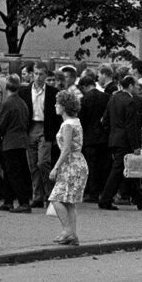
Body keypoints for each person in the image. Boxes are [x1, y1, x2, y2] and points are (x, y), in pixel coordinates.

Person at [97, 75, 142, 211]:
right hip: (125, 141)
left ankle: (139, 199)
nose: (137, 88)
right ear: (130, 86)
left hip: (114, 138)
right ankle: (105, 199)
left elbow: (105, 120)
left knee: (127, 169)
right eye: (136, 85)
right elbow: (131, 126)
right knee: (118, 170)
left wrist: (113, 132)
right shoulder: (130, 102)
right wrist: (136, 146)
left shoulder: (113, 98)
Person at [46, 90, 88, 245]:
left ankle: (67, 230)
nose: (55, 105)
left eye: (58, 103)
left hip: (70, 164)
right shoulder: (75, 121)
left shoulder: (67, 125)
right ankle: (73, 235)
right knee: (69, 201)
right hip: (78, 163)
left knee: (56, 198)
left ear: (64, 106)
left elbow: (66, 149)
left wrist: (55, 167)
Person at [0, 76, 33, 212]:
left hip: (10, 141)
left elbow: (0, 124)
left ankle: (23, 203)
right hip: (21, 141)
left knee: (13, 173)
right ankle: (8, 200)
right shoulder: (22, 103)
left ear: (6, 87)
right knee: (13, 171)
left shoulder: (7, 103)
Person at [24, 65, 59, 208]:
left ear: (46, 75)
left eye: (41, 74)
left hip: (46, 128)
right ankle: (37, 196)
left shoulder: (53, 92)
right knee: (32, 164)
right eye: (36, 74)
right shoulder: (24, 91)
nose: (38, 77)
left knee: (43, 162)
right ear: (32, 75)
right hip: (31, 127)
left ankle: (50, 193)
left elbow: (57, 115)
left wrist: (57, 134)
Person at [77, 75, 109, 205]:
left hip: (89, 138)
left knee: (91, 166)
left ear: (84, 87)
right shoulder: (106, 97)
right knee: (104, 165)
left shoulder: (84, 100)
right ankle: (103, 191)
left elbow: (82, 120)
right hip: (104, 137)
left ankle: (92, 193)